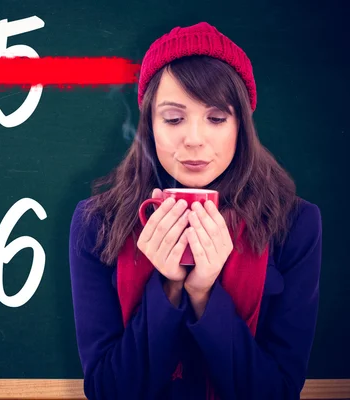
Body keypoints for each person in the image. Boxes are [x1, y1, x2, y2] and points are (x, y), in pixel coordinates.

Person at [68, 22, 322, 400]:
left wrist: (203, 295)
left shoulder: (295, 225)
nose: (194, 139)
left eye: (217, 118)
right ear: (149, 125)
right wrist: (167, 288)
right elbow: (107, 390)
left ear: (241, 127)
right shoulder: (96, 223)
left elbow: (280, 392)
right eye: (173, 119)